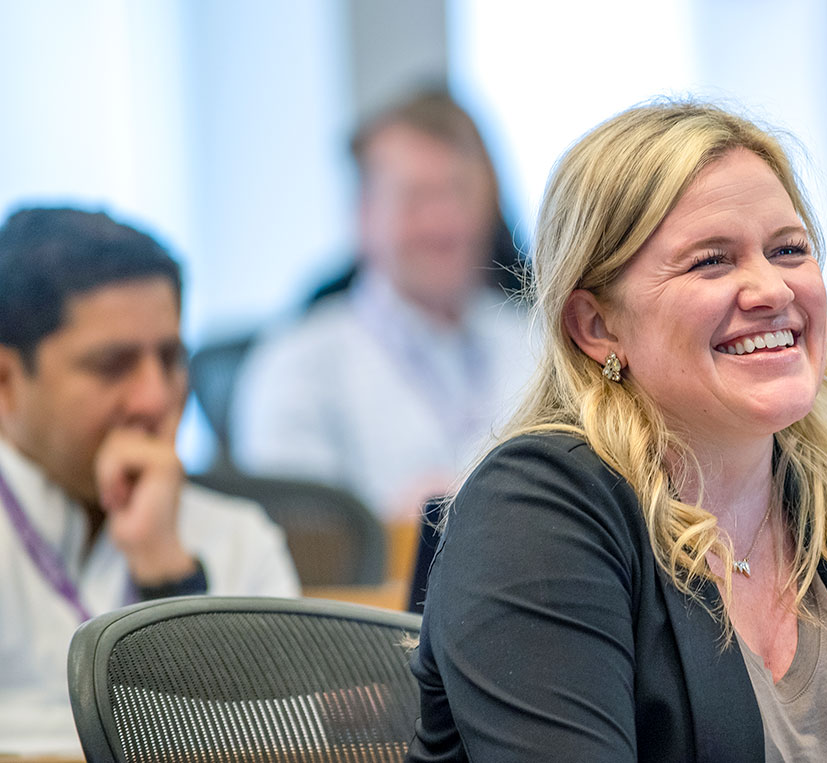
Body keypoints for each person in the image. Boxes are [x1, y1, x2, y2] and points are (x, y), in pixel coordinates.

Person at [408, 103, 827, 762]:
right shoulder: (534, 514)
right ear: (596, 325)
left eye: (789, 249)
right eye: (711, 261)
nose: (769, 288)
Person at [0, 207, 299, 754]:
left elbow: (284, 741)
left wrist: (168, 573)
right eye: (113, 365)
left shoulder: (238, 536)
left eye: (170, 358)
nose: (156, 399)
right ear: (6, 383)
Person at [232, 88, 536, 518]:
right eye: (416, 199)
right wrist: (394, 526)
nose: (442, 222)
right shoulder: (298, 365)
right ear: (364, 215)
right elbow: (305, 541)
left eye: (460, 193)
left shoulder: (537, 343)